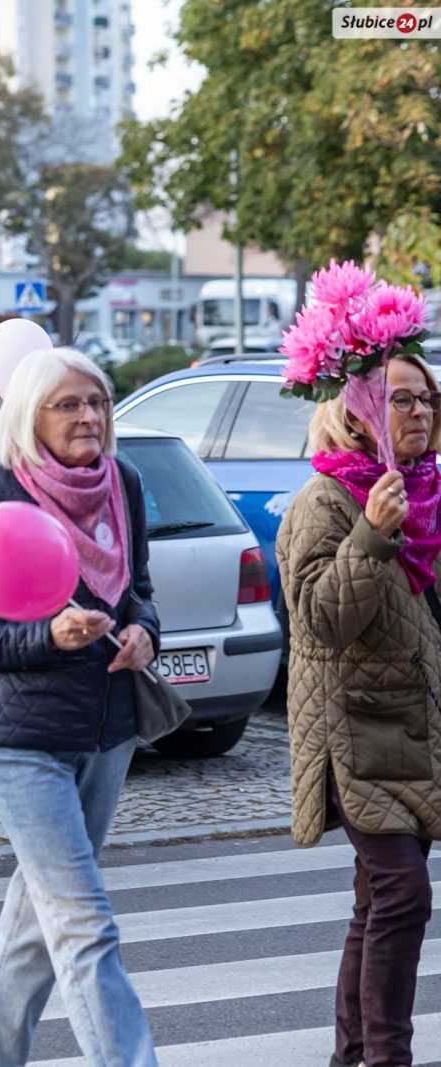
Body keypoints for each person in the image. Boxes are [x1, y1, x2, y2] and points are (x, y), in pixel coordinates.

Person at [0, 347, 158, 1066]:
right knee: (85, 924)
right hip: (20, 739)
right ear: (30, 415)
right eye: (69, 404)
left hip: (108, 730)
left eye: (98, 402)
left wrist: (147, 630)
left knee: (36, 926)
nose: (89, 416)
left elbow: (139, 586)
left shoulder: (126, 483)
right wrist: (43, 637)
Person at [277, 352, 441, 1067]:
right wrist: (372, 533)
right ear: (355, 411)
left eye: (428, 400)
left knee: (378, 899)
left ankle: (352, 1053)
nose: (422, 414)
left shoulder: (427, 495)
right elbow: (318, 619)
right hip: (355, 730)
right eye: (402, 400)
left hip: (415, 726)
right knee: (404, 894)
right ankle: (387, 1057)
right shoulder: (325, 500)